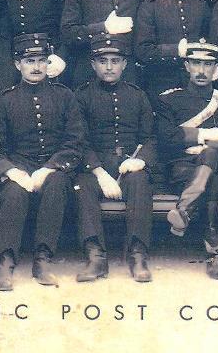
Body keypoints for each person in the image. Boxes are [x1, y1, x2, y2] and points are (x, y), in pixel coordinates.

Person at [0, 31, 83, 289]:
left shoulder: (65, 96)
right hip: (19, 166)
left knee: (57, 184)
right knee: (14, 191)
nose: (36, 67)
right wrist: (13, 172)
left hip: (54, 166)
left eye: (41, 61)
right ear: (18, 64)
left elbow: (74, 142)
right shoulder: (4, 100)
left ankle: (43, 260)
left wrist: (49, 168)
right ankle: (4, 262)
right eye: (29, 61)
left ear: (48, 63)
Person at [154, 39, 218, 279]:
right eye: (196, 63)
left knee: (210, 156)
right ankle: (215, 255)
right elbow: (165, 138)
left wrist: (205, 148)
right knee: (210, 181)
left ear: (216, 68)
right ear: (187, 66)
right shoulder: (169, 100)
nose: (202, 70)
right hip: (182, 169)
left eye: (208, 64)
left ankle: (184, 209)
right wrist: (203, 135)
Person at [73, 35, 156, 282]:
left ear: (124, 64)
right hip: (95, 165)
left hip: (129, 161)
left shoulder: (138, 96)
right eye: (103, 61)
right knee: (82, 185)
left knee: (140, 181)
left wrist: (140, 160)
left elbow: (150, 138)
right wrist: (99, 172)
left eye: (115, 61)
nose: (109, 67)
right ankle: (95, 256)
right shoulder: (82, 96)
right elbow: (78, 140)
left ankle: (137, 254)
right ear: (93, 64)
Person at [135, 0, 209, 97]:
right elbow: (143, 51)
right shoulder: (150, 6)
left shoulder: (200, 5)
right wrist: (176, 50)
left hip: (195, 83)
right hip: (161, 81)